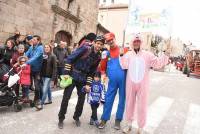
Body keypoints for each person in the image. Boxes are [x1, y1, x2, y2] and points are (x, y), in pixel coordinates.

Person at [120, 34, 170, 134]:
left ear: (141, 43)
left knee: (142, 106)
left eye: (138, 42)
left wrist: (166, 55)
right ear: (132, 43)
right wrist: (121, 55)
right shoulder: (128, 54)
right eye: (134, 42)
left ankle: (140, 127)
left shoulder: (148, 55)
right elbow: (124, 65)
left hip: (143, 84)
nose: (136, 43)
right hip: (131, 83)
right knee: (129, 104)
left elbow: (157, 63)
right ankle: (129, 124)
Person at [57, 33, 104, 129]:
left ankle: (76, 117)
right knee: (66, 98)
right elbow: (69, 59)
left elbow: (92, 72)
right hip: (73, 75)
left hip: (83, 79)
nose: (99, 45)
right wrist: (66, 74)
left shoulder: (98, 56)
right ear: (94, 42)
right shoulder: (85, 48)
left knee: (81, 100)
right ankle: (61, 118)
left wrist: (88, 84)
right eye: (98, 43)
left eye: (101, 44)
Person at [98, 32, 126, 130]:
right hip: (112, 82)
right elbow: (102, 67)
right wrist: (103, 75)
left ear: (114, 38)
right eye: (108, 41)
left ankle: (118, 120)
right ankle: (104, 119)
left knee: (122, 100)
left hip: (124, 81)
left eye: (111, 39)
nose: (110, 42)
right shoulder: (106, 54)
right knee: (108, 99)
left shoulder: (124, 50)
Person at [25, 35, 43, 109]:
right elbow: (26, 54)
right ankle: (28, 98)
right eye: (32, 39)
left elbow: (35, 57)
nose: (32, 41)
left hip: (37, 70)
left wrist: (26, 62)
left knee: (37, 86)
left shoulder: (40, 48)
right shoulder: (31, 47)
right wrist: (21, 59)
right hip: (30, 69)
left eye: (34, 39)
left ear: (38, 41)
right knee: (28, 84)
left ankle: (37, 100)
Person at [37, 44, 57, 110]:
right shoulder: (43, 55)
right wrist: (39, 74)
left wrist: (53, 79)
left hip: (48, 76)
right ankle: (50, 99)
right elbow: (41, 66)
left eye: (47, 47)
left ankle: (41, 104)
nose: (46, 48)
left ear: (50, 48)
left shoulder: (53, 56)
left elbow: (54, 68)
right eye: (45, 47)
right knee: (47, 87)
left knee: (44, 89)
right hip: (43, 75)